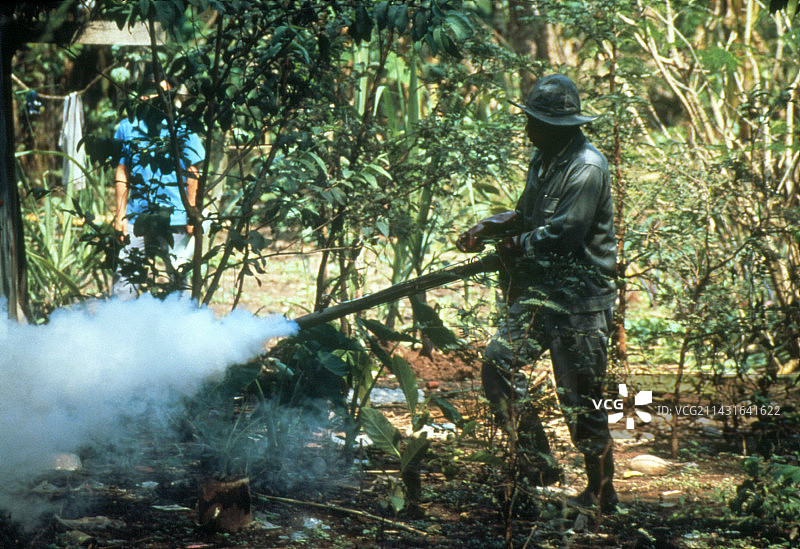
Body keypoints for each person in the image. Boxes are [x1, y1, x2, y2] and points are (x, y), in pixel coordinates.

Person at [457, 74, 618, 512]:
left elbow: (566, 231)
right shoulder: (543, 157)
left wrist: (518, 244)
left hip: (579, 299)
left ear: (561, 126)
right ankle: (539, 465)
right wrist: (493, 224)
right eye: (530, 119)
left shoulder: (586, 166)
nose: (529, 128)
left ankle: (602, 495)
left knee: (582, 400)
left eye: (537, 122)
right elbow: (529, 213)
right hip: (539, 293)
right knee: (498, 362)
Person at [111, 77, 205, 299]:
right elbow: (122, 172)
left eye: (161, 93)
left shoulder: (182, 128)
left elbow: (193, 172)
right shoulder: (127, 127)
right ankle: (119, 326)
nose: (152, 98)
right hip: (137, 216)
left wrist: (192, 212)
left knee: (180, 277)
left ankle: (182, 327)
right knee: (126, 277)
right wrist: (119, 216)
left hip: (175, 217)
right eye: (149, 92)